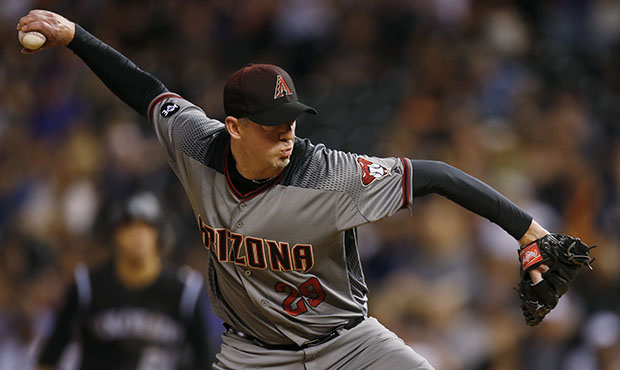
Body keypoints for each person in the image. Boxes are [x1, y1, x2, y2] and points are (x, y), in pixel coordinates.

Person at [19, 9, 556, 370]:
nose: (288, 131)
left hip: (347, 345)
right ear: (233, 127)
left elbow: (437, 174)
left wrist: (526, 229)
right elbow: (144, 91)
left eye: (292, 118)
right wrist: (75, 37)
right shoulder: (194, 144)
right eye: (273, 123)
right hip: (251, 355)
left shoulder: (328, 174)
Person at [37, 191, 213, 370]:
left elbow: (205, 359)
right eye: (128, 226)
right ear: (114, 234)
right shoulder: (87, 286)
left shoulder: (184, 290)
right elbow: (50, 354)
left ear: (159, 233)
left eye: (146, 226)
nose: (138, 235)